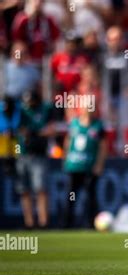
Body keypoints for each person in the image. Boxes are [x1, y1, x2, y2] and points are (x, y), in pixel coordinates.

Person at [62, 104, 107, 229]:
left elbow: (103, 147)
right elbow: (68, 141)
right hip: (74, 166)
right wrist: (65, 158)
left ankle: (91, 224)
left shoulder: (98, 126)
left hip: (89, 167)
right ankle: (67, 224)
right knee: (71, 196)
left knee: (90, 197)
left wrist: (99, 165)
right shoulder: (74, 123)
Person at [15, 90, 54, 229]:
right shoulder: (21, 111)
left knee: (41, 189)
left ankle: (44, 222)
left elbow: (51, 129)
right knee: (24, 190)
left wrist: (35, 133)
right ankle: (29, 223)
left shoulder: (44, 110)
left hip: (39, 155)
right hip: (23, 154)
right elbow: (17, 128)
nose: (29, 105)